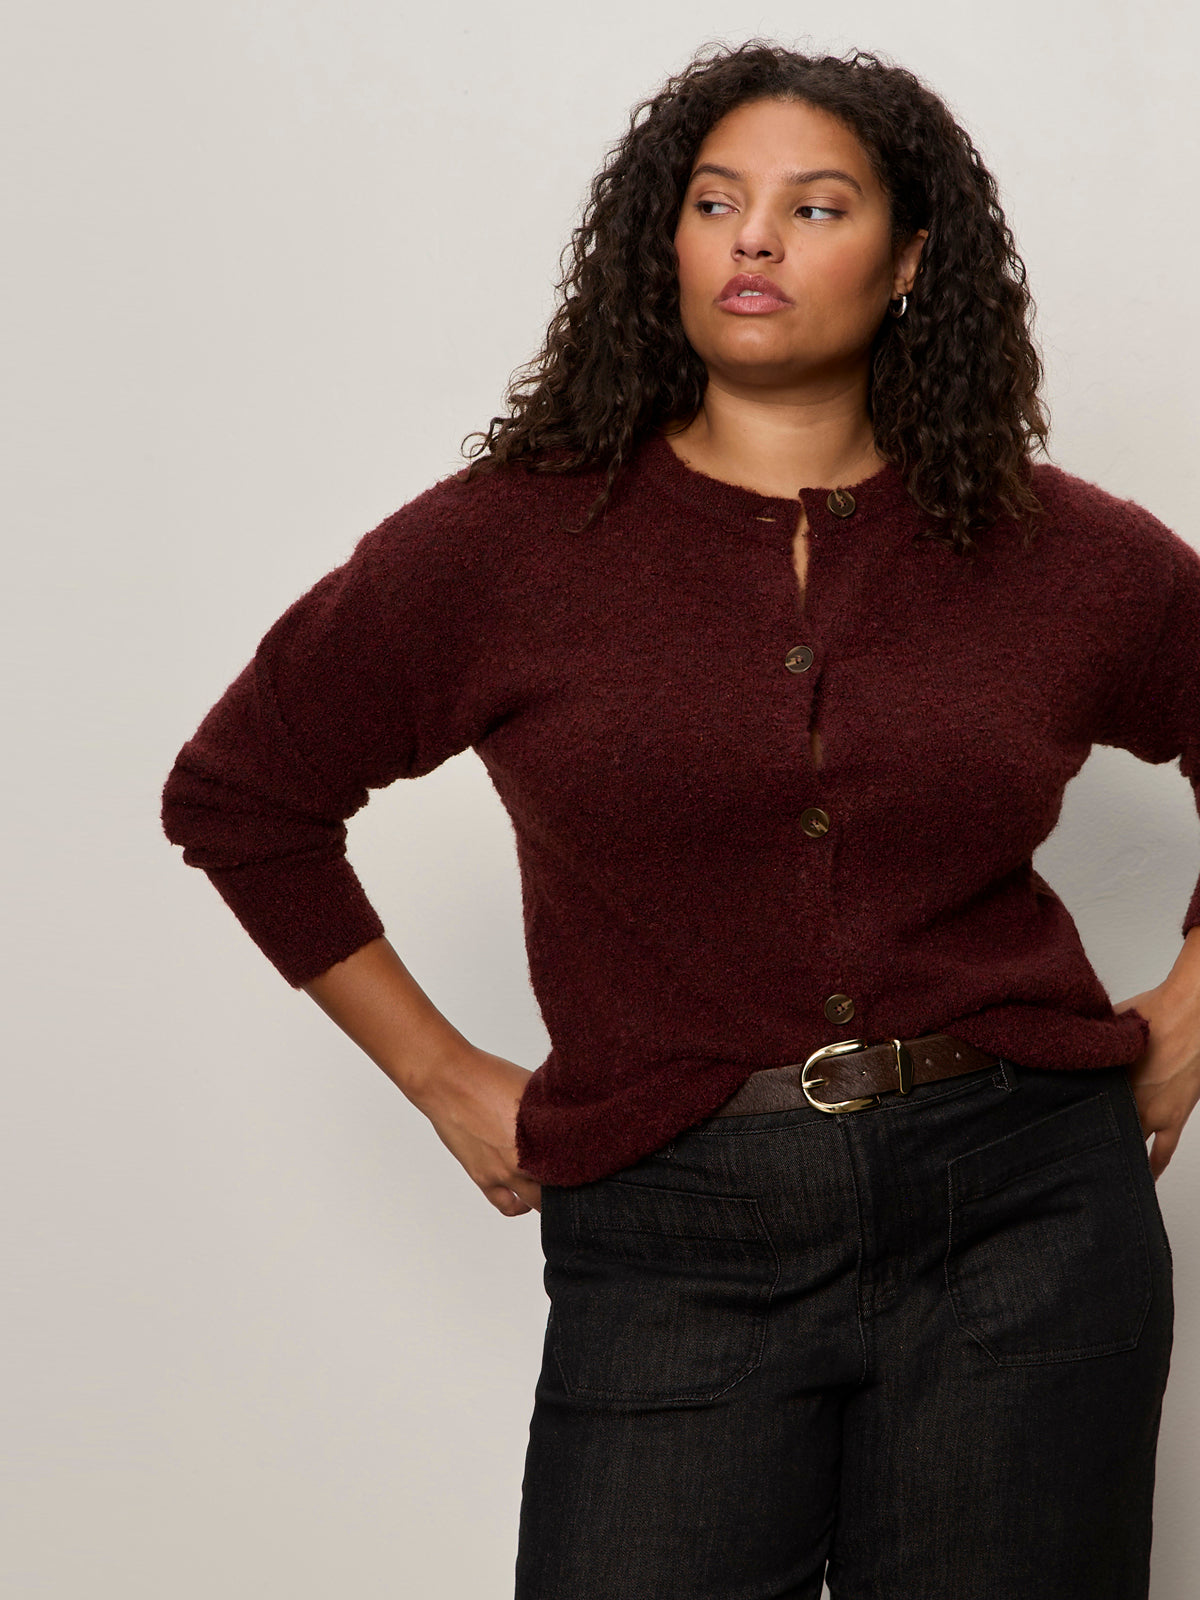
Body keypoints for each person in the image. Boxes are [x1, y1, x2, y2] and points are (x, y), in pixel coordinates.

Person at [160, 39, 1200, 1600]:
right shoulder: (506, 546)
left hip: (1024, 1215)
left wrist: (1190, 1011)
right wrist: (440, 1075)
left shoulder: (1055, 550)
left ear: (912, 261)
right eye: (715, 202)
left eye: (815, 205)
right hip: (672, 1230)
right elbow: (242, 796)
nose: (753, 238)